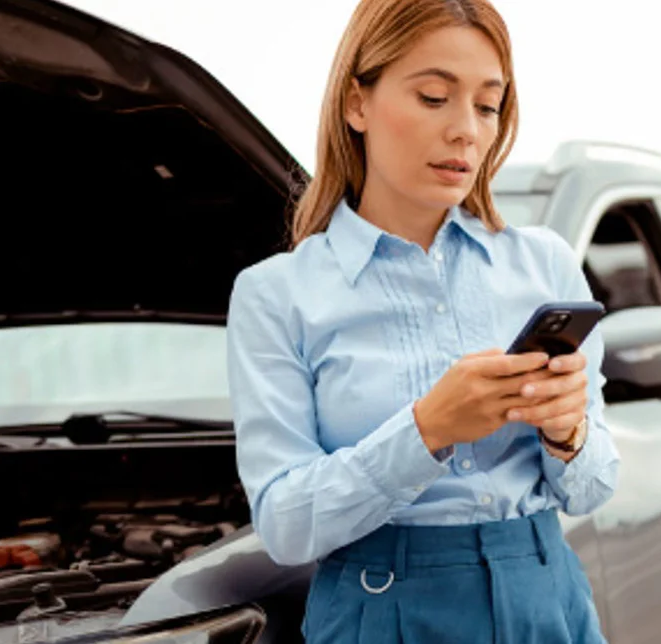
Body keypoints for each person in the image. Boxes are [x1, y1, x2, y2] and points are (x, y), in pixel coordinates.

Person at [225, 0, 621, 641]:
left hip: (547, 600)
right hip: (378, 611)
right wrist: (427, 430)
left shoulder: (544, 264)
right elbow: (285, 525)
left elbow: (592, 489)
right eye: (435, 96)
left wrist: (567, 431)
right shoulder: (277, 295)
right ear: (357, 104)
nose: (466, 129)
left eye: (488, 105)